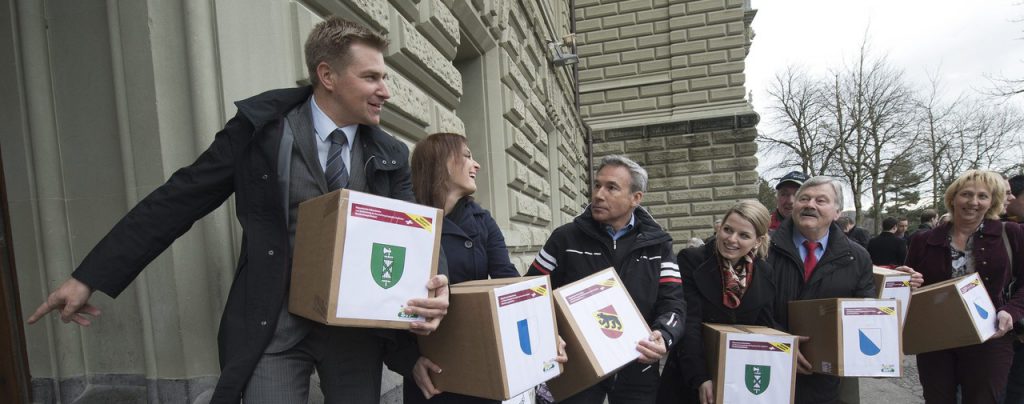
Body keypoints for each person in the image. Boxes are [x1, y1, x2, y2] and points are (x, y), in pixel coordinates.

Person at [25, 17, 451, 404]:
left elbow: (419, 234)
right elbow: (180, 198)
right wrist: (89, 276)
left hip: (354, 335)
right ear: (328, 76)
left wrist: (438, 283)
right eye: (371, 77)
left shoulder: (391, 153)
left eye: (384, 77)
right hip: (273, 327)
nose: (385, 90)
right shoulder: (259, 132)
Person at [527, 154, 685, 403]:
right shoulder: (564, 239)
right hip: (578, 372)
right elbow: (530, 295)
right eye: (597, 185)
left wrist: (664, 335)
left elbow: (673, 303)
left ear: (636, 198)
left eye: (611, 187)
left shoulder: (659, 246)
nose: (599, 195)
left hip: (638, 372)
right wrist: (549, 334)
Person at [766, 176, 922, 404]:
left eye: (821, 200)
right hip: (770, 368)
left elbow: (866, 311)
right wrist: (781, 343)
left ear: (837, 212)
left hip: (826, 380)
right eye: (804, 199)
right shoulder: (763, 248)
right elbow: (750, 307)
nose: (810, 205)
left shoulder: (857, 256)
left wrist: (882, 352)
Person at [907, 170, 1024, 404]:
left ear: (992, 202)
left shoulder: (1010, 233)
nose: (973, 202)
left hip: (990, 336)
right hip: (936, 338)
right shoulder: (924, 239)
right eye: (967, 194)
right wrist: (907, 281)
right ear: (953, 198)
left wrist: (1011, 311)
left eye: (983, 196)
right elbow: (911, 286)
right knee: (937, 399)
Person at [656, 200, 776, 404]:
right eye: (728, 230)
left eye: (743, 235)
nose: (732, 239)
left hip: (739, 379)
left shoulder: (764, 272)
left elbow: (764, 328)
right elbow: (689, 322)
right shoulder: (692, 260)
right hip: (690, 373)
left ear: (757, 241)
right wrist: (700, 377)